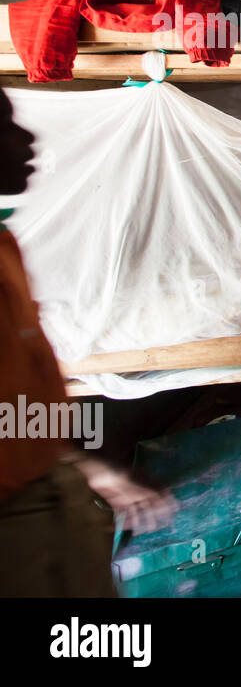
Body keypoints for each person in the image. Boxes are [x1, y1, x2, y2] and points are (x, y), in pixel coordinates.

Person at [0, 87, 175, 596]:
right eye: (6, 126)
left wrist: (81, 469)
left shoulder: (7, 249)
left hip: (52, 498)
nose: (29, 138)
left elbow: (17, 399)